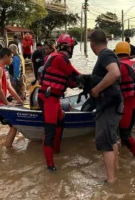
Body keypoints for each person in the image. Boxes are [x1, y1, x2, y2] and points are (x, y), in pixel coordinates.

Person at [39, 33, 80, 171]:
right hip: (48, 98)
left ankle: (56, 151)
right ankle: (50, 166)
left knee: (60, 121)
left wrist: (76, 82)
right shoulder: (62, 59)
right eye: (72, 47)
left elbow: (71, 81)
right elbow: (77, 76)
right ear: (69, 48)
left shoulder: (54, 57)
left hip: (52, 97)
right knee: (50, 132)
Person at [90, 30, 123, 183]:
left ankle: (111, 181)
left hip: (109, 105)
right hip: (114, 103)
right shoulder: (109, 54)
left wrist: (96, 89)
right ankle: (116, 170)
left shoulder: (104, 55)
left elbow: (115, 73)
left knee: (105, 141)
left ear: (92, 44)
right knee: (112, 138)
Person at [0, 48, 24, 148]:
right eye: (11, 57)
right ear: (5, 57)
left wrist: (19, 99)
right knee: (14, 126)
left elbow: (9, 87)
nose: (12, 60)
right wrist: (6, 102)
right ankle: (9, 149)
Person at [114, 42, 135, 157]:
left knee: (125, 133)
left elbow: (110, 80)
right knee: (126, 131)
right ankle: (124, 152)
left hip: (129, 104)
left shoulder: (120, 65)